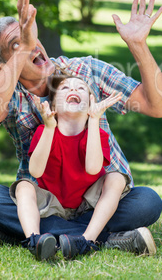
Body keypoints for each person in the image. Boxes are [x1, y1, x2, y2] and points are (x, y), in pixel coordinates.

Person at [0, 0, 162, 257]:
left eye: (29, 36)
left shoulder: (84, 71)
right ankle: (104, 238)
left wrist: (138, 44)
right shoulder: (9, 92)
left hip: (100, 198)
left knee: (147, 203)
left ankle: (23, 234)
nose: (32, 45)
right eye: (15, 44)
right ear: (4, 65)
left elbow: (160, 107)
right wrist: (24, 51)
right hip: (46, 201)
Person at [12, 76, 125, 260]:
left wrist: (95, 119)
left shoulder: (98, 134)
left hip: (88, 208)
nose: (73, 90)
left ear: (90, 103)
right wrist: (49, 128)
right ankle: (35, 240)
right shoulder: (43, 131)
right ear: (54, 106)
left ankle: (85, 241)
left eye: (81, 88)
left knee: (137, 195)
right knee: (7, 191)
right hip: (50, 209)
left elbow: (93, 168)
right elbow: (35, 172)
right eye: (65, 89)